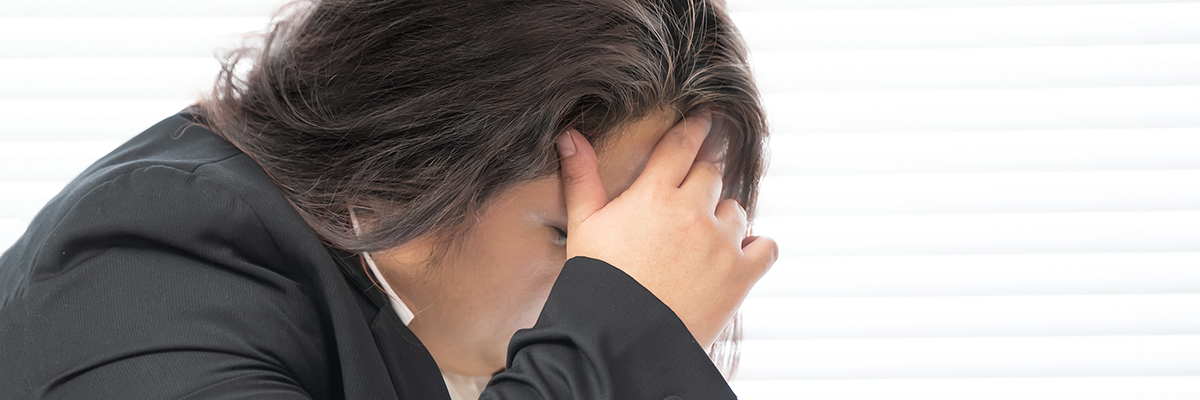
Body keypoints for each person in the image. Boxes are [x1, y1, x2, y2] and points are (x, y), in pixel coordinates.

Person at [0, 0, 776, 398]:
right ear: (430, 153)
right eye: (569, 237)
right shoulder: (155, 253)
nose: (587, 282)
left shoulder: (459, 348)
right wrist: (622, 322)